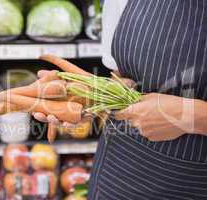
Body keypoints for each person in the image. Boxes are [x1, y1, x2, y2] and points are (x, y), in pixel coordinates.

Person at [32, 0, 207, 199]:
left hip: (195, 180)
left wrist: (191, 117)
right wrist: (94, 96)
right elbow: (122, 75)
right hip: (119, 168)